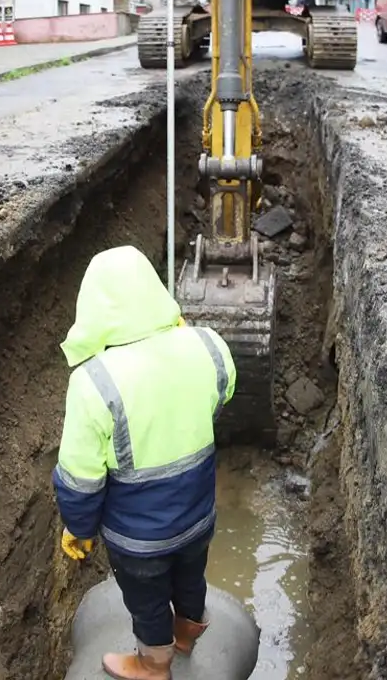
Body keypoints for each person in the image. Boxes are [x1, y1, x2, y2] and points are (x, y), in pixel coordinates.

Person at [52, 245, 236, 680]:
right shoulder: (207, 344)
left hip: (139, 539)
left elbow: (81, 478)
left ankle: (153, 665)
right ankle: (189, 632)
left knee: (147, 599)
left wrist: (79, 529)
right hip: (198, 518)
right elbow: (224, 389)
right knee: (192, 577)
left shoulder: (93, 382)